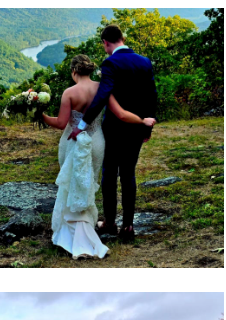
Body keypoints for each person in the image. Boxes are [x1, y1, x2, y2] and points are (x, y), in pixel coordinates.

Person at [42, 54, 155, 259]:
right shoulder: (101, 88)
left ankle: (72, 230)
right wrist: (142, 121)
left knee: (72, 184)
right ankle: (91, 225)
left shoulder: (69, 92)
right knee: (90, 182)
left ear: (74, 71)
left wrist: (40, 115)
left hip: (73, 142)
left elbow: (60, 123)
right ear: (90, 70)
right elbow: (121, 114)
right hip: (96, 142)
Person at [68, 25, 157, 242]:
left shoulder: (111, 63)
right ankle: (128, 226)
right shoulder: (144, 61)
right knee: (128, 174)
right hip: (136, 128)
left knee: (109, 173)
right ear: (122, 38)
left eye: (104, 45)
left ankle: (109, 222)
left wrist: (82, 124)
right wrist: (147, 126)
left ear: (106, 42)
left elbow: (103, 95)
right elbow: (152, 95)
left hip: (115, 129)